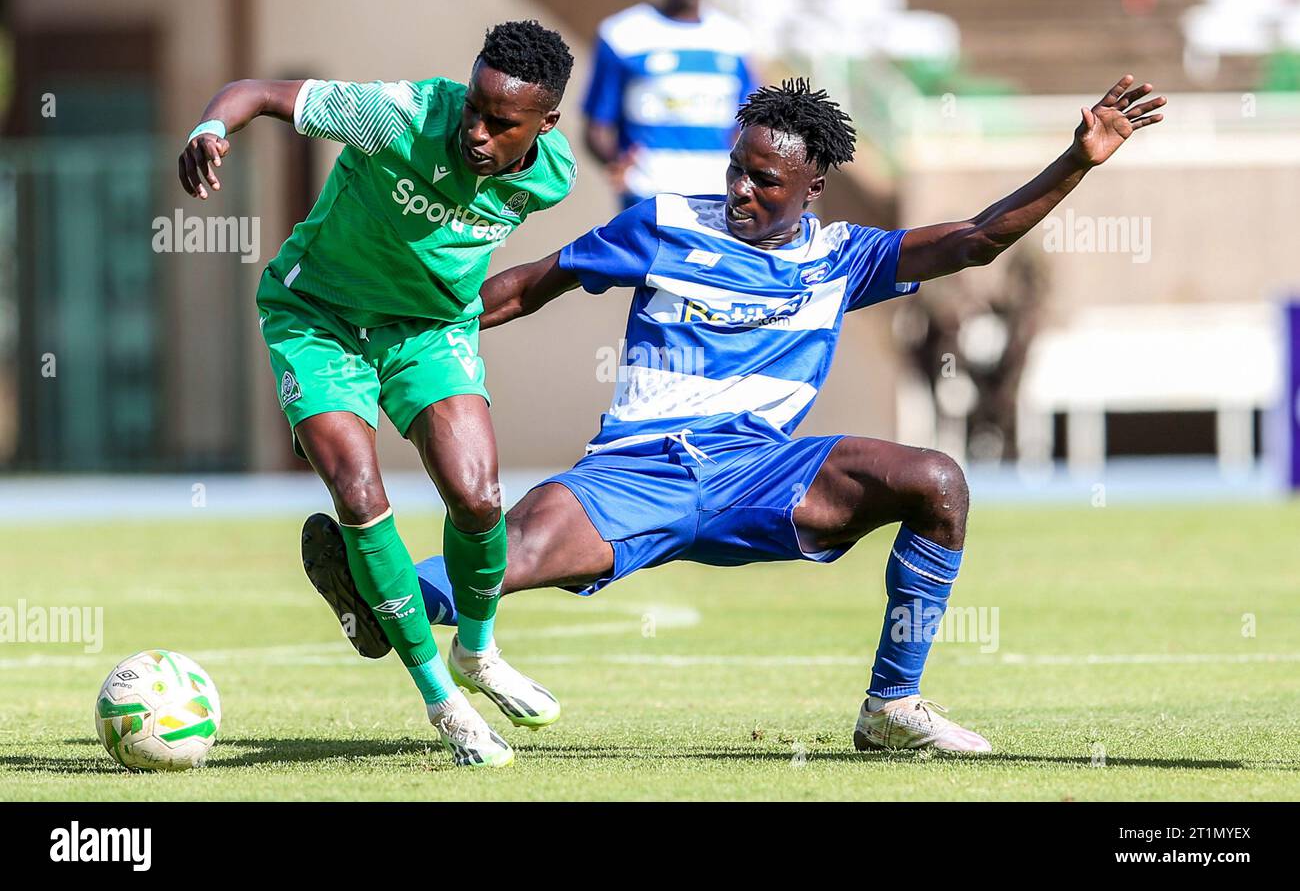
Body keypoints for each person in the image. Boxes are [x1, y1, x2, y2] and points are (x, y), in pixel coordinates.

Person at [302, 74, 1165, 753]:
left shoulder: (843, 257)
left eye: (765, 179)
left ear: (814, 186)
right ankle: (375, 604)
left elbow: (976, 238)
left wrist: (1077, 161)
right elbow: (532, 286)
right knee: (510, 554)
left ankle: (892, 707)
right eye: (735, 168)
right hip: (638, 471)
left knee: (935, 482)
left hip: (765, 470)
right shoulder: (666, 225)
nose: (742, 189)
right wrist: (409, 338)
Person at [177, 20, 579, 768]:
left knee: (480, 495)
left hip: (428, 332)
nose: (478, 133)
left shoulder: (550, 178)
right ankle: (444, 702)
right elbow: (258, 93)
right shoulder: (399, 115)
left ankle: (478, 654)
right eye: (474, 109)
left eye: (502, 123)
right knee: (359, 493)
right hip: (319, 319)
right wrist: (210, 125)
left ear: (545, 124)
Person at [584, 0, 756, 208]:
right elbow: (597, 127)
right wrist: (618, 163)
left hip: (718, 202)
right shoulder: (622, 34)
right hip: (647, 200)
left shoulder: (735, 40)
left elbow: (749, 122)